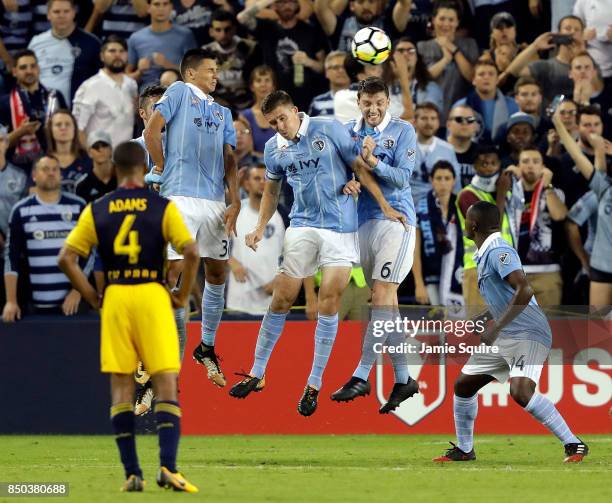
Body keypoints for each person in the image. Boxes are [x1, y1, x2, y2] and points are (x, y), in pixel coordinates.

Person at [229, 90, 404, 416]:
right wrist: (258, 226)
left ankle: (314, 383)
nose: (280, 126)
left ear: (296, 110)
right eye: (273, 122)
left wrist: (376, 198)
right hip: (302, 226)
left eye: (283, 117)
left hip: (340, 230)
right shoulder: (273, 149)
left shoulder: (328, 128)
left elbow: (359, 165)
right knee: (282, 297)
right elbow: (272, 190)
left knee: (329, 300)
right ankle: (256, 371)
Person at [57, 141, 199, 492]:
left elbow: (66, 258)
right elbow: (192, 251)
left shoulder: (98, 208)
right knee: (165, 382)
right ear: (142, 167)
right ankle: (168, 468)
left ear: (117, 170)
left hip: (117, 296)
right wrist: (180, 294)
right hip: (152, 294)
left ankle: (132, 474)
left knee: (121, 386)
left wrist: (91, 295)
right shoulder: (162, 207)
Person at [433, 200, 588, 463]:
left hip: (528, 331)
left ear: (474, 225)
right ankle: (464, 449)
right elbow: (506, 297)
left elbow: (525, 290)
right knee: (464, 385)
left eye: (468, 220)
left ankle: (574, 444)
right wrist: (483, 318)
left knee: (521, 391)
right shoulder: (484, 253)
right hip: (507, 332)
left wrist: (497, 327)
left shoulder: (498, 250)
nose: (466, 224)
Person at [144, 48, 239, 388]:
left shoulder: (223, 112)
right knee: (174, 272)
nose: (216, 75)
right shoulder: (179, 92)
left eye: (217, 70)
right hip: (180, 197)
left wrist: (236, 200)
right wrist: (160, 165)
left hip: (214, 201)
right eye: (210, 70)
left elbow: (230, 160)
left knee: (217, 271)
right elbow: (152, 132)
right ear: (191, 74)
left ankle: (207, 346)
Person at [331, 77, 419, 413]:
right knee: (388, 308)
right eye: (367, 103)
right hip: (363, 223)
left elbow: (402, 177)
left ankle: (361, 375)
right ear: (359, 102)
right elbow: (342, 173)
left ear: (388, 101)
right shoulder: (348, 132)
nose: (373, 109)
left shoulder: (402, 130)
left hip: (397, 221)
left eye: (379, 102)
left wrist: (374, 161)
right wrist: (347, 185)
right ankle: (403, 378)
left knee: (381, 296)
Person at [2, 155, 85, 321]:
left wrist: (78, 291)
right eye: (45, 169)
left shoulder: (78, 206)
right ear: (34, 176)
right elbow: (11, 257)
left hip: (73, 306)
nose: (51, 173)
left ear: (61, 175)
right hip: (34, 306)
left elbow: (90, 253)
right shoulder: (21, 210)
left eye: (55, 169)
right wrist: (11, 301)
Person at [553, 106, 612, 308]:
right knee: (598, 331)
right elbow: (576, 154)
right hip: (601, 266)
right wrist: (558, 124)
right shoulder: (604, 188)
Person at [457, 145, 522, 307]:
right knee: (478, 326)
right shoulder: (467, 195)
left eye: (493, 163)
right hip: (478, 269)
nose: (489, 168)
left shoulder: (507, 193)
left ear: (500, 165)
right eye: (484, 164)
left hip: (505, 268)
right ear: (475, 167)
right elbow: (489, 231)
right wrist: (501, 193)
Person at [237, 0, 327, 111]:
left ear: (297, 5)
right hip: (275, 97)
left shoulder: (310, 31)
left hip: (305, 97)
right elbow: (242, 17)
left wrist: (308, 61)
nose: (286, 6)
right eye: (281, 2)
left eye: (290, 2)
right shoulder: (267, 28)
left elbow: (323, 68)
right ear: (274, 6)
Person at [226, 164, 285, 315]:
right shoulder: (235, 213)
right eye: (256, 178)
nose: (262, 182)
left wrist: (280, 281)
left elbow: (292, 254)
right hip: (240, 299)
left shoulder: (282, 215)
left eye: (266, 179)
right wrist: (232, 262)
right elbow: (212, 243)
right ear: (246, 184)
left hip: (271, 299)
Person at [514, 146, 568, 306]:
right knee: (513, 330)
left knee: (549, 328)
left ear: (543, 167)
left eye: (536, 161)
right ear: (518, 167)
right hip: (515, 274)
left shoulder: (554, 192)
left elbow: (559, 215)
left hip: (548, 272)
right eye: (525, 161)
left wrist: (547, 185)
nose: (530, 165)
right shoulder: (510, 193)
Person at [0, 49, 66, 170]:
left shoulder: (55, 97)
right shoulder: (4, 103)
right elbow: (1, 143)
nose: (29, 71)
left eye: (33, 66)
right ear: (14, 72)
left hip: (53, 164)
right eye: (23, 67)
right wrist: (21, 132)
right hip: (17, 167)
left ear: (39, 69)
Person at [28, 0, 101, 107]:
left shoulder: (92, 43)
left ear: (74, 13)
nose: (61, 16)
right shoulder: (36, 42)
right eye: (56, 12)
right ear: (48, 15)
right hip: (42, 108)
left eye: (66, 11)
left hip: (80, 109)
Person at [72, 35, 138, 148]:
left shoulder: (131, 85)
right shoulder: (90, 86)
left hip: (125, 159)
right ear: (102, 56)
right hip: (99, 160)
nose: (117, 55)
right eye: (112, 51)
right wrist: (92, 158)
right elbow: (78, 129)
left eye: (121, 51)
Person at [413, 160, 464, 306]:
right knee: (437, 324)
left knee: (458, 325)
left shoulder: (462, 206)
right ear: (431, 180)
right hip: (431, 277)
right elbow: (414, 250)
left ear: (454, 181)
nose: (443, 183)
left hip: (459, 276)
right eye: (438, 178)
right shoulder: (421, 207)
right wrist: (419, 284)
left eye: (447, 178)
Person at [503, 15, 585, 104]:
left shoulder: (590, 67)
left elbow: (597, 89)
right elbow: (513, 72)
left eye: (577, 30)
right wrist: (535, 46)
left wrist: (582, 54)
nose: (572, 32)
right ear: (558, 33)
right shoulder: (546, 66)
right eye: (568, 28)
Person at [417, 0, 479, 119]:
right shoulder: (422, 47)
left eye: (451, 20)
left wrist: (453, 49)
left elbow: (472, 77)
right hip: (429, 115)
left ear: (457, 22)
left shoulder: (469, 44)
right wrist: (445, 59)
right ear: (433, 20)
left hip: (461, 114)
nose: (446, 24)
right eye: (442, 19)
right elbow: (422, 79)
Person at [126, 0, 197, 86]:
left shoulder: (185, 35)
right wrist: (139, 72)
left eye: (165, 4)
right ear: (148, 7)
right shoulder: (136, 38)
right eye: (156, 4)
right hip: (146, 93)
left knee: (168, 78)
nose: (161, 9)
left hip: (175, 91)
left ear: (171, 7)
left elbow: (195, 73)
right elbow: (126, 78)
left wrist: (168, 65)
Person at [202, 9, 261, 110]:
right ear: (211, 31)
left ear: (234, 29)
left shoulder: (251, 48)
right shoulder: (205, 52)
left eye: (227, 29)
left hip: (248, 104)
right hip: (218, 105)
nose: (223, 34)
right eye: (218, 30)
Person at [453, 59, 519, 144]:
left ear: (497, 79)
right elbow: (454, 137)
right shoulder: (461, 106)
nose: (486, 77)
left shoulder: (513, 105)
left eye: (491, 74)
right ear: (474, 80)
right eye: (481, 74)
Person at [313, 0, 412, 53]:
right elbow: (320, 8)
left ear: (378, 4)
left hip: (381, 82)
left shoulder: (390, 24)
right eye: (360, 2)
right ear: (352, 5)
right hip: (347, 85)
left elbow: (405, 3)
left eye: (371, 1)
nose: (366, 6)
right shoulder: (340, 25)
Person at [411, 102, 461, 204]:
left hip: (439, 208)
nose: (429, 123)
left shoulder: (448, 150)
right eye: (424, 118)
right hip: (408, 209)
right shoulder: (402, 147)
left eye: (433, 119)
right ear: (415, 122)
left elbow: (456, 185)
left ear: (438, 122)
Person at [0, 125, 27, 308]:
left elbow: (25, 214)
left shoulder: (20, 176)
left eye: (0, 140)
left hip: (13, 252)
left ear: (7, 143)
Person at [386, 37, 444, 121]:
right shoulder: (382, 88)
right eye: (400, 51)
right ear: (392, 59)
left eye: (411, 51)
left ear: (417, 58)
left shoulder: (431, 88)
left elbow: (423, 121)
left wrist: (403, 78)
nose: (406, 54)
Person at [45, 109, 92, 193]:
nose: (63, 128)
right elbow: (34, 195)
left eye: (67, 124)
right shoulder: (42, 162)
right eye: (58, 125)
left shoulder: (88, 160)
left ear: (74, 129)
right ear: (51, 130)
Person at [240, 65, 276, 154]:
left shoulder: (283, 114)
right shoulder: (245, 116)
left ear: (273, 86)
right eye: (258, 80)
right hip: (256, 166)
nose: (263, 85)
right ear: (252, 87)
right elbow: (248, 152)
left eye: (267, 80)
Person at [75, 130, 116, 203]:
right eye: (96, 146)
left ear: (111, 150)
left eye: (104, 145)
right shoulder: (82, 186)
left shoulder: (124, 179)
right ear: (89, 152)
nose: (100, 149)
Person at [308, 51, 350, 118]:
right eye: (336, 67)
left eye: (345, 67)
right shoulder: (317, 103)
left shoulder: (362, 100)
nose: (341, 70)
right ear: (326, 72)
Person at [446, 104, 479, 188]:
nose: (464, 123)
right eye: (459, 119)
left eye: (470, 120)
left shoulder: (483, 154)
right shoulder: (436, 150)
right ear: (448, 124)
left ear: (475, 126)